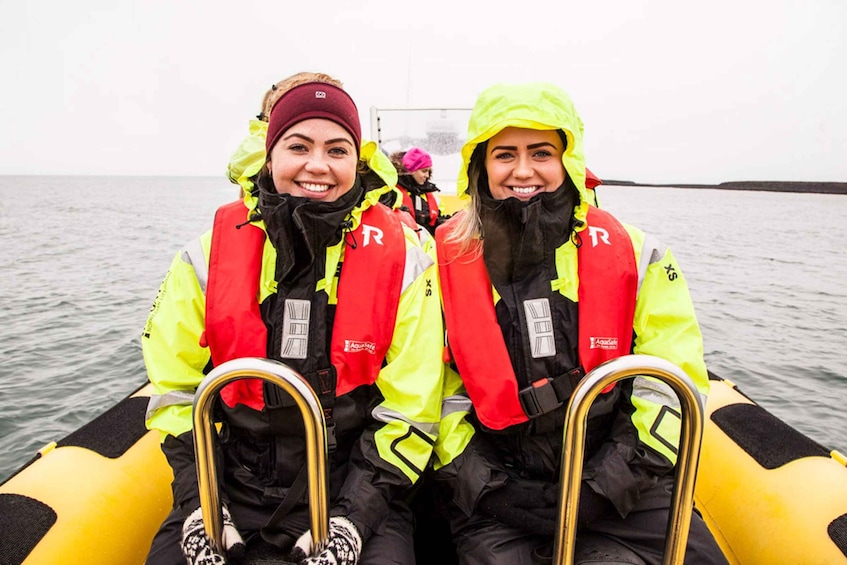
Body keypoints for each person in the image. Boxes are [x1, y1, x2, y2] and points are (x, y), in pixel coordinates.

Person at [142, 72, 445, 565]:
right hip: (234, 486)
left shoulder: (407, 260)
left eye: (337, 149)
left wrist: (350, 521)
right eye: (299, 146)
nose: (317, 165)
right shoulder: (206, 257)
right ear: (270, 154)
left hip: (358, 486)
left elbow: (413, 406)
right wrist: (203, 507)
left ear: (356, 160)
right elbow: (175, 393)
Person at [431, 81, 728, 564]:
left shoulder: (638, 254)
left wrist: (602, 488)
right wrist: (488, 488)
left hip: (627, 487)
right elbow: (434, 391)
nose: (523, 170)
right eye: (504, 154)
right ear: (480, 165)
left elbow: (674, 381)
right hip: (499, 491)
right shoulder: (440, 262)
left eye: (541, 153)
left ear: (567, 160)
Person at [389, 146, 449, 235]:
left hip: (428, 245)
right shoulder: (393, 193)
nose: (427, 175)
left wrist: (451, 221)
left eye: (429, 171)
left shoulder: (431, 195)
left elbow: (437, 222)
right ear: (412, 170)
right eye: (424, 171)